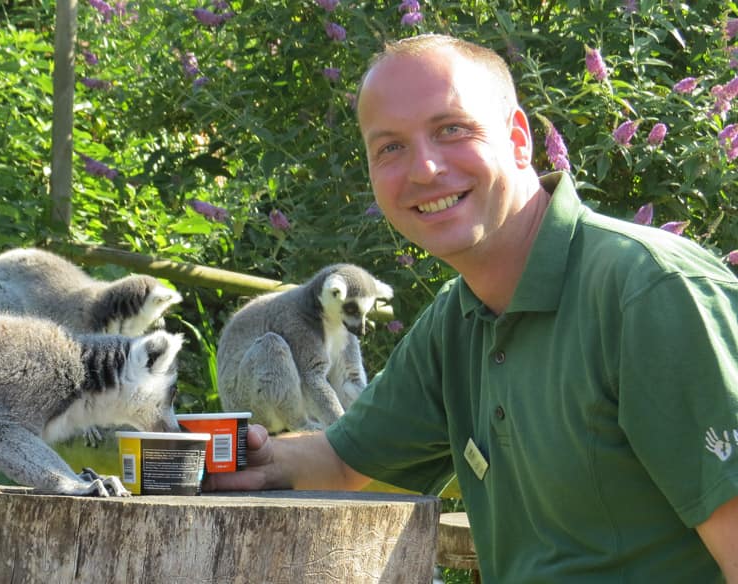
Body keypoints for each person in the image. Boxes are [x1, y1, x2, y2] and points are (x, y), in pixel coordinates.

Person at [204, 33, 738, 582]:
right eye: (390, 147)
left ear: (518, 139)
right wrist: (221, 456)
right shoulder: (458, 319)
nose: (424, 170)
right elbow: (342, 462)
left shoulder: (649, 292)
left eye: (451, 129)